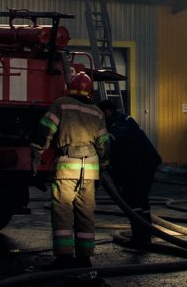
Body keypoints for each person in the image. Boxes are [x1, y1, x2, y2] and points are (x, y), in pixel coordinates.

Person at [30, 71, 110, 268]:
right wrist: (104, 168)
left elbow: (44, 130)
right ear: (90, 93)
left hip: (67, 167)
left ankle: (64, 257)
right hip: (90, 170)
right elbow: (104, 145)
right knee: (86, 213)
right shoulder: (97, 112)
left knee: (63, 211)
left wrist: (36, 153)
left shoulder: (61, 104)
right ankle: (85, 258)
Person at [98, 98, 162, 249]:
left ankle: (140, 237)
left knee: (132, 199)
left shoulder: (122, 121)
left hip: (140, 164)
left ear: (107, 112)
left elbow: (110, 140)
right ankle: (144, 235)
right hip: (139, 164)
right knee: (140, 199)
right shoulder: (119, 121)